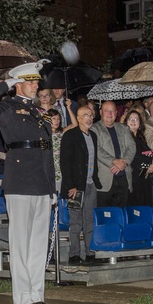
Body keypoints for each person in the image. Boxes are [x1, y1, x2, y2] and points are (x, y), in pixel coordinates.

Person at [0, 60, 56, 304]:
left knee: (38, 243)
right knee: (21, 242)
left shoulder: (38, 113)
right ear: (19, 83)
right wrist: (6, 83)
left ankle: (36, 294)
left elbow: (46, 151)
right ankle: (22, 298)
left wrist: (52, 188)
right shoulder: (7, 108)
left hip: (41, 182)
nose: (35, 86)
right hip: (20, 180)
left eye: (36, 81)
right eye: (30, 81)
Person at [60, 105, 101, 264]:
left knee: (90, 220)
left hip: (90, 184)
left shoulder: (93, 136)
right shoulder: (70, 136)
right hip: (75, 187)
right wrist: (71, 185)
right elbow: (65, 162)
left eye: (91, 115)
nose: (89, 118)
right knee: (75, 221)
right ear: (78, 118)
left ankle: (90, 252)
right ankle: (74, 254)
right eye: (85, 115)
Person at [90, 101, 135, 208]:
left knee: (120, 214)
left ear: (116, 113)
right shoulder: (94, 129)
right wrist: (114, 161)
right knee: (104, 215)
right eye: (106, 111)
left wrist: (124, 162)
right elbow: (96, 149)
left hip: (124, 178)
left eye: (112, 111)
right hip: (104, 180)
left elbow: (132, 147)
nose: (110, 114)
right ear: (100, 112)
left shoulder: (124, 128)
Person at [121, 107, 153, 207]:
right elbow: (133, 157)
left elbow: (149, 152)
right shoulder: (124, 137)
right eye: (130, 119)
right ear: (126, 121)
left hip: (144, 179)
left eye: (136, 119)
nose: (133, 121)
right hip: (132, 179)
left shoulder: (141, 137)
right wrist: (151, 160)